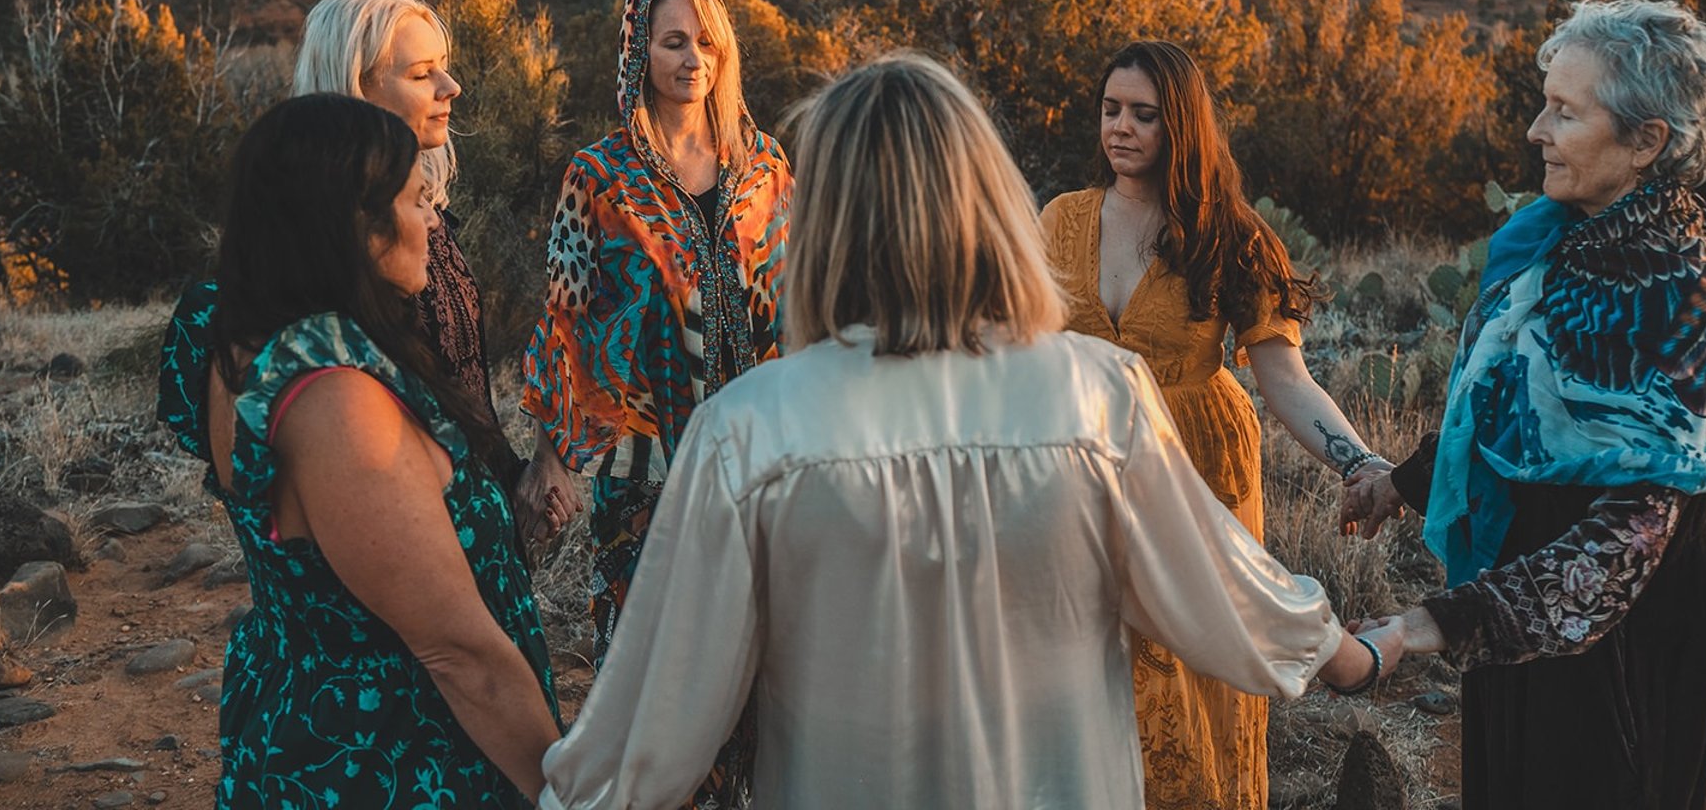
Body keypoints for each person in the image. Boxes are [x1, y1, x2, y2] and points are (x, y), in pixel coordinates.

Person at [534, 54, 1399, 810]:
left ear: (820, 218)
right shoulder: (1096, 397)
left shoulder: (747, 433)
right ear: (986, 200)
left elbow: (652, 732)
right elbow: (1222, 593)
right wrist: (1345, 653)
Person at [1346, 0, 1706, 810]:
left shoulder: (1685, 286)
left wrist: (1430, 625)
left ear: (1646, 141)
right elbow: (1514, 406)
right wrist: (1402, 482)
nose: (1536, 132)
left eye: (1565, 113)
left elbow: (1632, 534)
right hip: (1522, 575)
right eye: (1545, 103)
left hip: (1633, 629)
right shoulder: (1554, 235)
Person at [157, 95, 561, 806]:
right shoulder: (338, 401)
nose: (433, 222)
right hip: (395, 755)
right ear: (356, 230)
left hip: (298, 711)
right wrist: (567, 794)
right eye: (415, 202)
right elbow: (459, 656)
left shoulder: (231, 333)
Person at [1039, 39, 1389, 810]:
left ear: (1183, 126)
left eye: (1143, 115)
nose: (1120, 129)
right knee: (1092, 662)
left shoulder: (1233, 237)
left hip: (1195, 459)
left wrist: (1362, 465)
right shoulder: (1062, 221)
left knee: (1191, 656)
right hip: (1083, 464)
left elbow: (1286, 380)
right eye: (1110, 110)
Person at [519, 0, 794, 807]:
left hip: (760, 466)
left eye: (706, 43)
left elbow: (797, 310)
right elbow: (563, 318)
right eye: (673, 42)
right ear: (640, 51)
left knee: (763, 676)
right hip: (647, 477)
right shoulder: (598, 175)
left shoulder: (767, 168)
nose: (692, 60)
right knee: (653, 679)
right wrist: (553, 456)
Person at [292, 0, 523, 490]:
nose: (451, 85)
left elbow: (463, 389)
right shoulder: (334, 242)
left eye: (442, 65)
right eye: (422, 74)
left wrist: (513, 480)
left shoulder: (432, 214)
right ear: (356, 89)